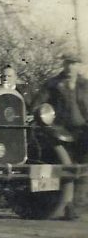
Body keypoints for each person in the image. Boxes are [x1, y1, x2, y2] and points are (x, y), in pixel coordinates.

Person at [32, 54, 88, 218]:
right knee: (61, 168)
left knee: (84, 169)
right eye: (68, 63)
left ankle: (76, 208)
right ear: (63, 65)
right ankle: (55, 205)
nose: (71, 67)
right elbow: (38, 105)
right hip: (60, 131)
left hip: (83, 130)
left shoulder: (85, 85)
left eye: (74, 63)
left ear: (79, 66)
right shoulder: (52, 84)